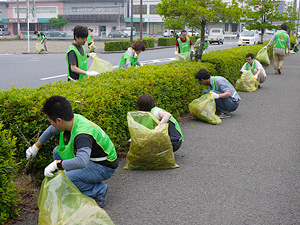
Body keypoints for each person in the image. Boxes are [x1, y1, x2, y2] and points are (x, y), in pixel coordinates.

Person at [25, 95, 118, 208]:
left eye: (51, 122)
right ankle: (69, 184)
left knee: (68, 178)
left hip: (104, 167)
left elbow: (82, 161)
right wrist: (35, 147)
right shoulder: (72, 119)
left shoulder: (82, 135)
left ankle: (98, 190)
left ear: (59, 121)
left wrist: (57, 164)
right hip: (92, 158)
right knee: (57, 152)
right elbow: (51, 130)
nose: (51, 125)